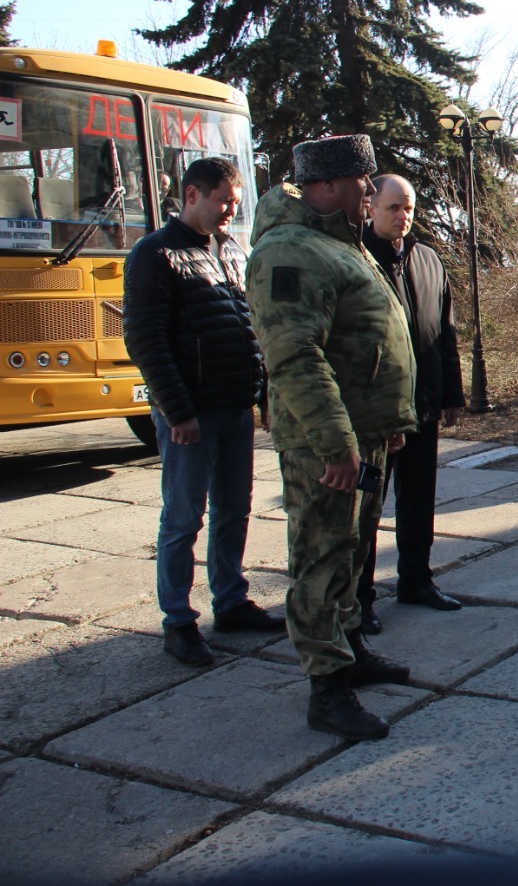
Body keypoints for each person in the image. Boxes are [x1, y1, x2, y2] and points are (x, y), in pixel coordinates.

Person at [245, 134, 417, 742]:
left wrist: (385, 425)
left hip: (362, 435)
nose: (369, 191)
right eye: (360, 181)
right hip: (327, 445)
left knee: (351, 553)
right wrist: (338, 444)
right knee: (321, 560)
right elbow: (295, 358)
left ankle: (349, 652)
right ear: (325, 186)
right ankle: (327, 690)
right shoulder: (290, 251)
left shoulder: (334, 242)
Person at [123, 157, 282, 666]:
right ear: (193, 194)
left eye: (236, 205)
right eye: (223, 203)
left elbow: (245, 326)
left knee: (234, 511)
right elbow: (145, 340)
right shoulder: (154, 254)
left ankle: (230, 602)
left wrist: (260, 397)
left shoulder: (231, 250)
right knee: (184, 518)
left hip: (234, 406)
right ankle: (178, 621)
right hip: (191, 414)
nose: (229, 213)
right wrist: (176, 410)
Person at [354, 174, 466, 635]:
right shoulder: (355, 259)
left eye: (409, 208)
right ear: (370, 208)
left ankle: (415, 580)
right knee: (367, 507)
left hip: (423, 405)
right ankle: (358, 598)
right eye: (393, 207)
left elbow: (445, 333)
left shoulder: (427, 261)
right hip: (377, 411)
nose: (403, 216)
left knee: (418, 499)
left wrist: (452, 395)